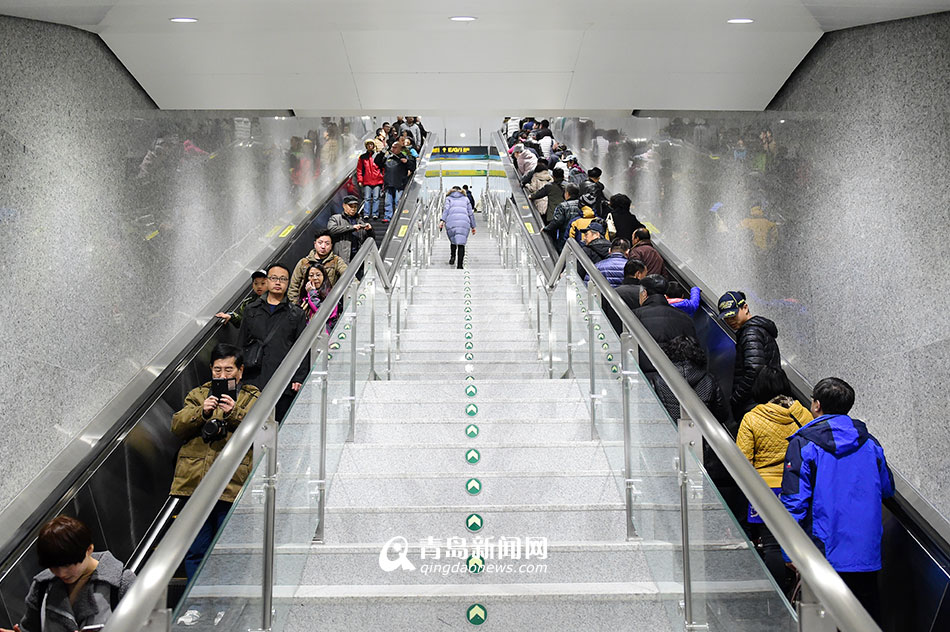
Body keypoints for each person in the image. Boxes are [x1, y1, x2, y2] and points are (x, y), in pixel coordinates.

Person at [782, 377, 894, 623]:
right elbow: (887, 489)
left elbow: (794, 502)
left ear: (816, 405)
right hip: (866, 553)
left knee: (823, 622)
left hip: (824, 554)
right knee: (865, 620)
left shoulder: (804, 444)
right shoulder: (870, 443)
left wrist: (789, 552)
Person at [169, 343, 260, 580]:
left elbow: (264, 430)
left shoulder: (253, 397)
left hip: (231, 484)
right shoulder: (199, 394)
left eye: (229, 370)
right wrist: (202, 412)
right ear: (211, 369)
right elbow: (177, 426)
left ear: (240, 371)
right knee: (195, 549)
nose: (222, 375)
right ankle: (196, 607)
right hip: (195, 482)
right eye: (217, 370)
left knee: (228, 550)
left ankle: (223, 605)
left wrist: (235, 413)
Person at [736, 367, 813, 591]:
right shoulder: (804, 415)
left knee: (771, 546)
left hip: (765, 489)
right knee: (800, 543)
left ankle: (778, 598)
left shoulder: (752, 418)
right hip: (799, 486)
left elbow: (742, 460)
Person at [1, 516, 136, 632]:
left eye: (67, 565)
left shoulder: (120, 583)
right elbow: (30, 628)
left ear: (89, 549)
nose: (61, 573)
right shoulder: (42, 586)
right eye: (53, 567)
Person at [237, 263, 309, 421]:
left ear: (288, 283)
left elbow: (302, 347)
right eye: (274, 278)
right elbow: (241, 343)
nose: (278, 282)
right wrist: (238, 372)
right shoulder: (251, 310)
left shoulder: (296, 314)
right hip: (253, 378)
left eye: (283, 279)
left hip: (282, 380)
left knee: (279, 424)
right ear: (267, 281)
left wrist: (299, 377)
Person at [718, 291, 782, 420]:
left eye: (733, 315)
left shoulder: (750, 333)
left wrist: (736, 398)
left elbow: (754, 370)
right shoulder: (757, 329)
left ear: (745, 308)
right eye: (726, 317)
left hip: (755, 402)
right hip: (764, 400)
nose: (730, 321)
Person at [633, 274, 697, 381]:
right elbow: (695, 351)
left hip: (644, 379)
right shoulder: (685, 318)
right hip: (676, 380)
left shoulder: (634, 316)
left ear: (644, 294)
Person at [289, 230, 347, 303]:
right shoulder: (304, 263)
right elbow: (293, 287)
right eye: (320, 243)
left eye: (327, 244)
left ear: (331, 246)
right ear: (315, 244)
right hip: (306, 305)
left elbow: (348, 275)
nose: (323, 246)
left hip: (327, 304)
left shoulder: (336, 261)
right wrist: (296, 306)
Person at [327, 195, 374, 264]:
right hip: (341, 258)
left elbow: (370, 239)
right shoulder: (336, 218)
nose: (353, 209)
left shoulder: (360, 221)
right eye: (350, 206)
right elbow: (331, 230)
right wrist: (351, 228)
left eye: (355, 206)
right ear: (344, 206)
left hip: (358, 258)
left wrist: (370, 230)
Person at [376, 142, 416, 222]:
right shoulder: (388, 157)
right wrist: (382, 152)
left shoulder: (404, 157)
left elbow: (413, 167)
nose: (392, 149)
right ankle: (388, 216)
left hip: (399, 184)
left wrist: (407, 162)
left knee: (398, 201)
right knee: (388, 201)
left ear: (399, 149)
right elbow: (377, 162)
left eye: (395, 147)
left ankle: (398, 216)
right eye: (392, 147)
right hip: (388, 184)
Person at [606, 258, 647, 334]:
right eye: (645, 275)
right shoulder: (644, 293)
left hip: (614, 334)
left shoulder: (613, 293)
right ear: (638, 274)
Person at [440, 186, 476, 269]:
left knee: (453, 240)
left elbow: (446, 210)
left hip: (451, 221)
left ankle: (452, 257)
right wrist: (473, 226)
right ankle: (460, 265)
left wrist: (442, 220)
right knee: (461, 243)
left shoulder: (448, 198)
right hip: (464, 222)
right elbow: (470, 213)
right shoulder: (466, 199)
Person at [542, 183, 581, 252]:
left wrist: (546, 229)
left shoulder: (563, 206)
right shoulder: (582, 205)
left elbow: (557, 221)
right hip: (579, 235)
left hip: (564, 236)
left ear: (567, 194)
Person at [357, 140, 384, 219]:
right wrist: (360, 180)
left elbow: (382, 167)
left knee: (376, 197)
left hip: (377, 180)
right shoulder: (362, 157)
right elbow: (359, 169)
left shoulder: (377, 156)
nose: (370, 146)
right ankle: (366, 213)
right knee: (367, 198)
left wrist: (383, 177)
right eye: (368, 145)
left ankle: (375, 213)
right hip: (367, 180)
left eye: (371, 144)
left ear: (374, 145)